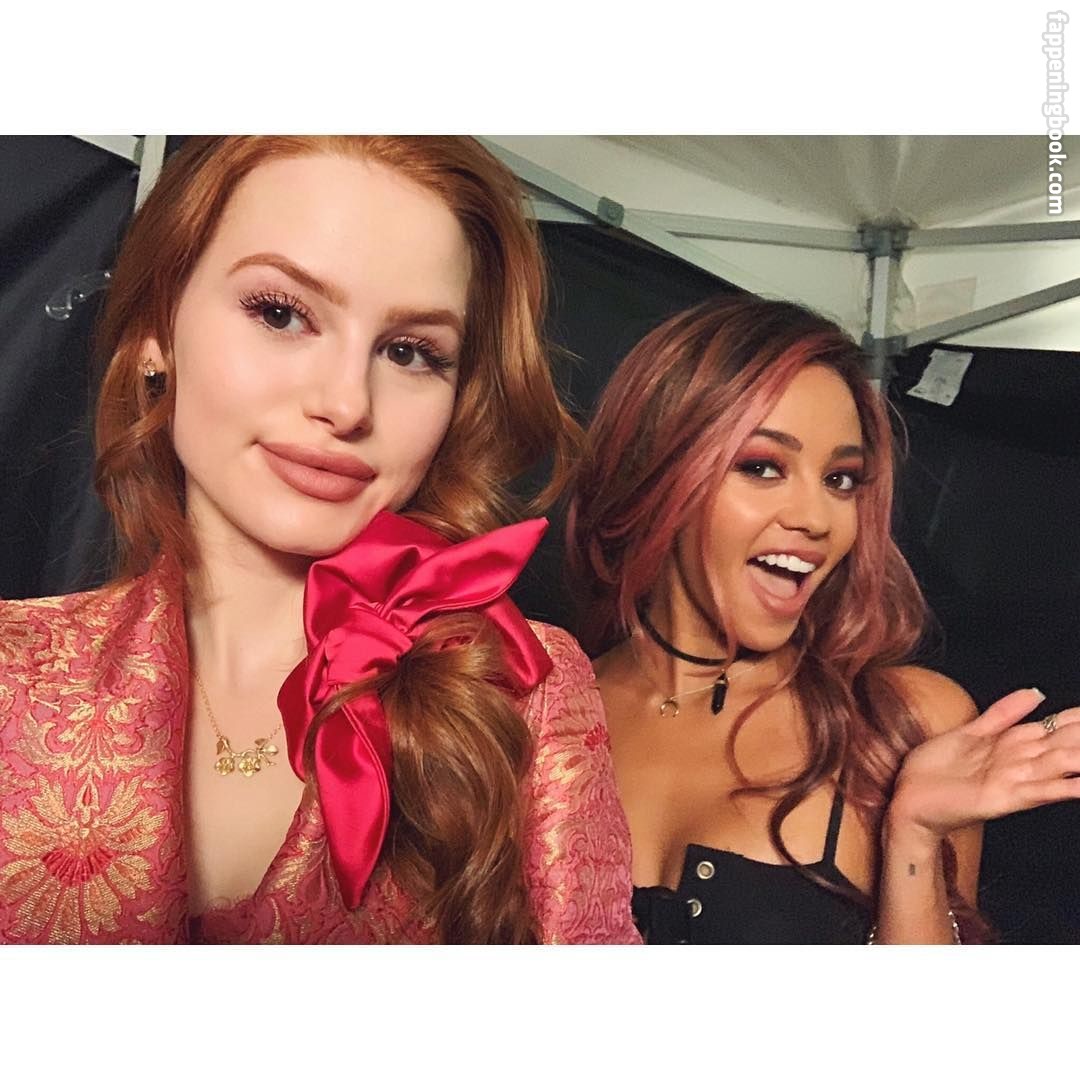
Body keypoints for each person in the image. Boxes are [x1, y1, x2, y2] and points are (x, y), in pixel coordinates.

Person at [0, 136, 639, 945]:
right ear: (159, 330)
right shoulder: (15, 673)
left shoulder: (523, 685)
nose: (346, 403)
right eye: (281, 313)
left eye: (410, 352)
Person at [566, 293, 1080, 944]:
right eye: (762, 467)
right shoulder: (541, 711)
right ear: (655, 471)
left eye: (841, 479)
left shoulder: (902, 725)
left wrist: (914, 836)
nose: (817, 518)